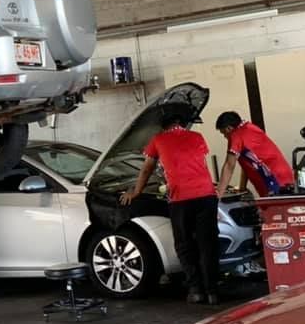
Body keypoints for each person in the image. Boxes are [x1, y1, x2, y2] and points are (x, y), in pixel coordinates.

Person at [121, 104, 220, 305]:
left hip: (181, 199)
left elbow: (147, 169)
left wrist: (136, 191)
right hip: (206, 195)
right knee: (207, 244)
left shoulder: (158, 140)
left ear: (163, 126)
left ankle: (196, 290)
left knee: (184, 245)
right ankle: (212, 292)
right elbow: (198, 162)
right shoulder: (197, 138)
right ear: (182, 124)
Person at [214, 111, 295, 198]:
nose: (225, 137)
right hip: (284, 176)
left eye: (223, 133)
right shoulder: (250, 127)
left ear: (229, 128)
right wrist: (242, 187)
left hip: (273, 181)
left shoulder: (236, 136)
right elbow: (248, 163)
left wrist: (218, 194)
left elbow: (229, 166)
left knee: (275, 209)